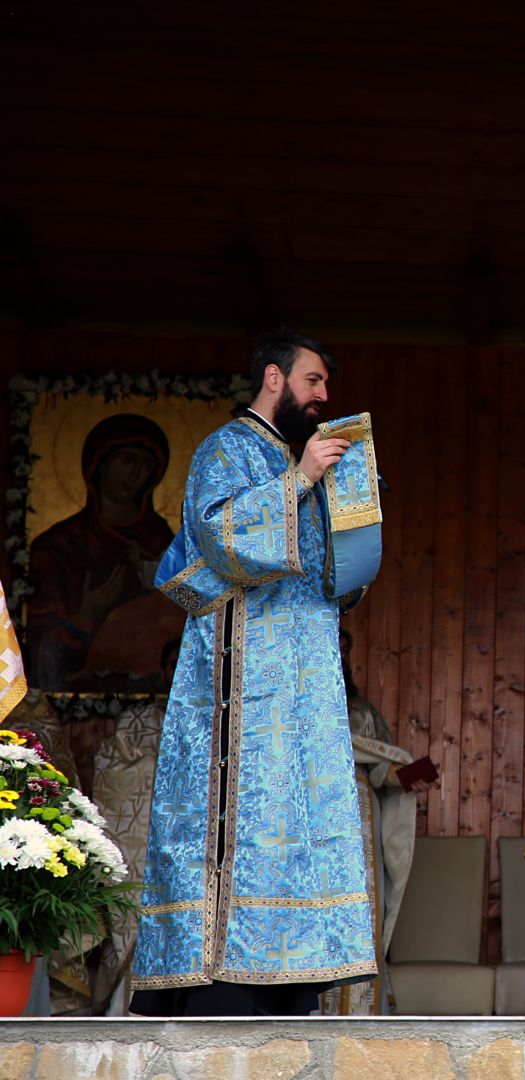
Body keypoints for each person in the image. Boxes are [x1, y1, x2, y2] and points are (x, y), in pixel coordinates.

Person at [129, 329, 377, 1016]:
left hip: (305, 681)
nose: (323, 396)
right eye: (313, 381)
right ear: (274, 378)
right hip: (243, 685)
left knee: (301, 815)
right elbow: (222, 537)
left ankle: (295, 968)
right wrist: (301, 481)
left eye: (325, 385)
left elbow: (330, 574)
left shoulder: (299, 459)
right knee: (248, 816)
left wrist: (355, 522)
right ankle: (228, 974)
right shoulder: (227, 449)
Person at [26, 413, 182, 692]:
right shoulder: (59, 547)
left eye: (145, 466)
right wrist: (87, 613)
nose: (136, 474)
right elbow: (44, 664)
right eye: (127, 461)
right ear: (99, 465)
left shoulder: (161, 542)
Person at [320, 629, 431, 1015]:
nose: (343, 656)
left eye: (347, 649)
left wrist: (408, 774)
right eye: (336, 647)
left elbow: (382, 770)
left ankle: (361, 1012)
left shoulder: (363, 713)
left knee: (365, 914)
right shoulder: (300, 708)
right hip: (312, 820)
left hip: (362, 821)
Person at [89, 638, 181, 1014]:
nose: (178, 672)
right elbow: (113, 770)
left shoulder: (215, 717)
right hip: (144, 835)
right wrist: (156, 773)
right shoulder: (139, 720)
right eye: (171, 664)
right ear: (163, 671)